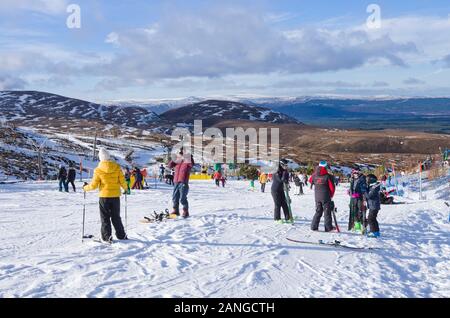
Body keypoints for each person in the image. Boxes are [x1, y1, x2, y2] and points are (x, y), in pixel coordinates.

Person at [83, 148, 128, 243]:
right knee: (116, 217)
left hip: (104, 197)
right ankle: (121, 235)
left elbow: (94, 185)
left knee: (105, 217)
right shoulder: (117, 167)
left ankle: (107, 237)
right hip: (115, 196)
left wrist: (85, 188)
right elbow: (122, 181)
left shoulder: (98, 170)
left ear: (100, 158)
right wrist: (126, 188)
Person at [309, 161, 336, 232]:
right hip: (326, 196)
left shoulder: (314, 174)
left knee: (318, 211)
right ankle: (328, 228)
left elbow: (310, 180)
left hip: (317, 196)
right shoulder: (327, 176)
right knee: (327, 212)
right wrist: (331, 195)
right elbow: (332, 188)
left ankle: (314, 227)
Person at [168, 150, 194, 218]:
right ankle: (176, 210)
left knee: (182, 198)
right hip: (176, 181)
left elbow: (192, 164)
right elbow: (170, 166)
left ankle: (185, 211)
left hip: (183, 181)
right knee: (175, 197)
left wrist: (187, 156)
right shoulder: (178, 161)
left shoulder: (187, 161)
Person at [271, 159, 291, 224]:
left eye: (286, 165)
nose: (286, 166)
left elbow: (286, 180)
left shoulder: (283, 170)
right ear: (281, 164)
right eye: (285, 165)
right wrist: (285, 172)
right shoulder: (276, 170)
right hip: (275, 190)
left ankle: (287, 217)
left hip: (281, 189)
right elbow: (280, 180)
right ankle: (277, 219)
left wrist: (286, 173)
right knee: (278, 204)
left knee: (284, 203)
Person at [348, 168, 368, 232]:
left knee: (361, 212)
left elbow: (364, 190)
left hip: (360, 198)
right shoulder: (352, 179)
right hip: (353, 198)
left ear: (359, 172)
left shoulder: (362, 179)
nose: (355, 174)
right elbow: (352, 188)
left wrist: (363, 198)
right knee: (354, 212)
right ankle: (357, 227)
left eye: (357, 172)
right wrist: (350, 192)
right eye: (354, 172)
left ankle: (364, 227)